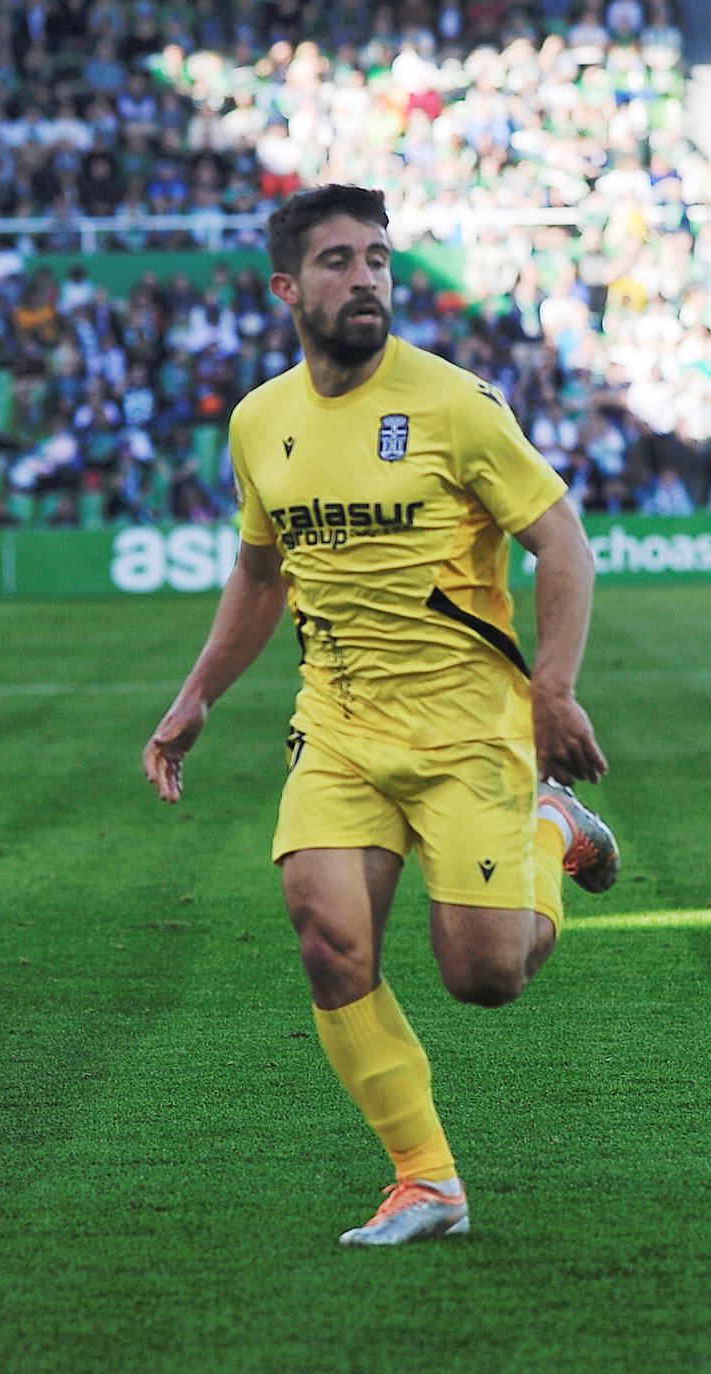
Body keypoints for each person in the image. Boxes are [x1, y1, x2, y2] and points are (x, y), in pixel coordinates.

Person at [142, 184, 620, 1248]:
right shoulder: (260, 422)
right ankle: (427, 1179)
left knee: (484, 977)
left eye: (380, 260)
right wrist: (196, 695)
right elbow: (260, 574)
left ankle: (552, 826)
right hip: (342, 725)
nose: (367, 278)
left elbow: (565, 544)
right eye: (340, 261)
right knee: (326, 939)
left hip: (469, 731)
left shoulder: (456, 404)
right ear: (286, 287)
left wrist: (551, 691)